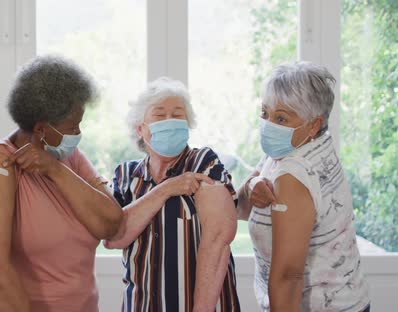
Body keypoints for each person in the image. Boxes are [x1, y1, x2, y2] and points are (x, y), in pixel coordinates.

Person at [0, 55, 124, 312]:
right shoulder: (1, 160)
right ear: (41, 129)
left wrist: (54, 169)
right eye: (73, 127)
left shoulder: (68, 157)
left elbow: (111, 223)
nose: (77, 135)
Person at [236, 62, 370, 312]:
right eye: (265, 113)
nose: (268, 124)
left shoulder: (293, 175)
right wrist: (253, 183)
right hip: (352, 299)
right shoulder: (296, 147)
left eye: (281, 117)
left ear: (313, 124)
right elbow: (240, 207)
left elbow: (288, 277)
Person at [104, 77, 241, 312]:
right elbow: (113, 237)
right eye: (159, 115)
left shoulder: (204, 163)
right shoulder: (126, 175)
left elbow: (219, 239)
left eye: (178, 115)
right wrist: (166, 188)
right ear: (140, 128)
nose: (170, 121)